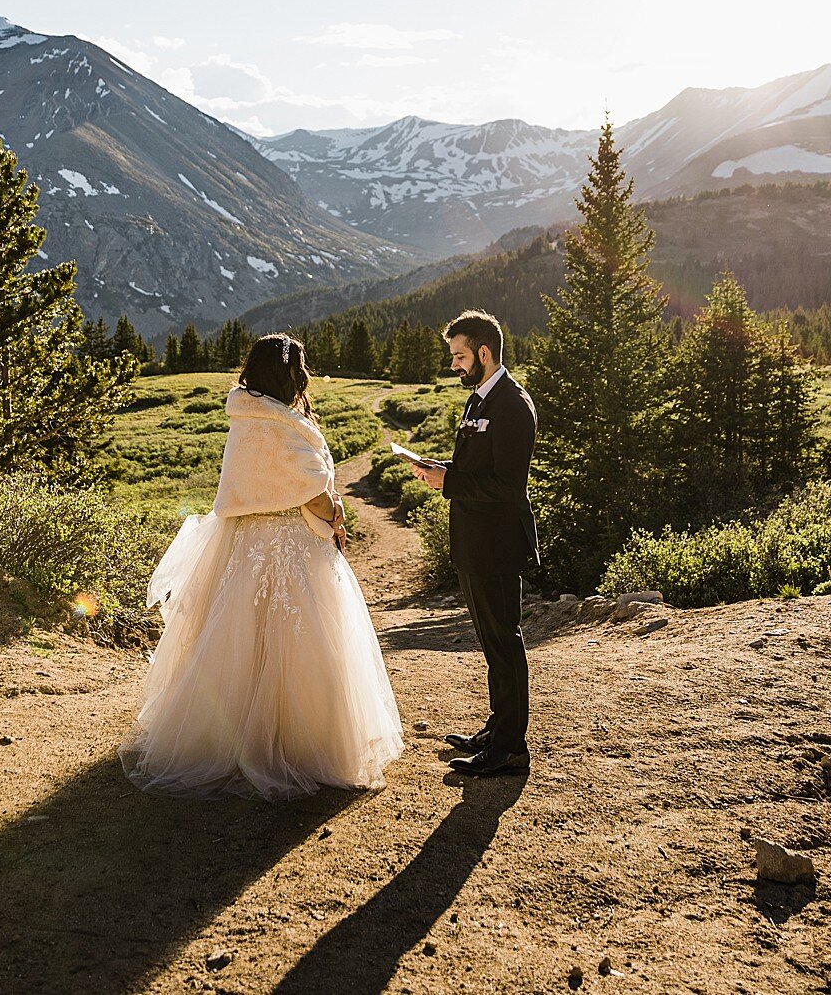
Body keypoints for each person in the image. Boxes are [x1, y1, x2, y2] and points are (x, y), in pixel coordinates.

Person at [121, 333, 404, 800]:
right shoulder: (277, 423)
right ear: (289, 373)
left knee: (240, 641)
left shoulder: (247, 420)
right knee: (304, 640)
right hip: (291, 542)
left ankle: (227, 740)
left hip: (248, 545)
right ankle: (304, 746)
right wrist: (335, 513)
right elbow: (308, 485)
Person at [410, 309, 537, 777]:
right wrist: (437, 468)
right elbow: (474, 468)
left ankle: (510, 748)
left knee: (504, 641)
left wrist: (449, 483)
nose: (454, 365)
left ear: (485, 353)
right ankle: (497, 728)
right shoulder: (477, 401)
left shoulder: (513, 405)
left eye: (460, 356)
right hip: (473, 541)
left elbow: (508, 486)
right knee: (490, 640)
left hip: (498, 544)